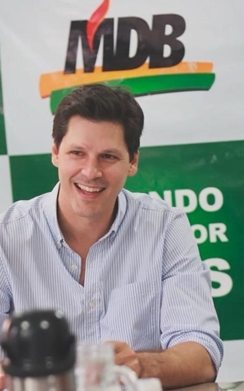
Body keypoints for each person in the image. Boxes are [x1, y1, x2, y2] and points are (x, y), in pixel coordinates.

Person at [0, 84, 223, 389]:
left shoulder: (165, 227)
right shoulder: (6, 235)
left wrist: (141, 365)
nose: (91, 171)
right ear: (55, 153)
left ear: (132, 162)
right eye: (77, 153)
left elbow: (201, 356)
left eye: (108, 156)